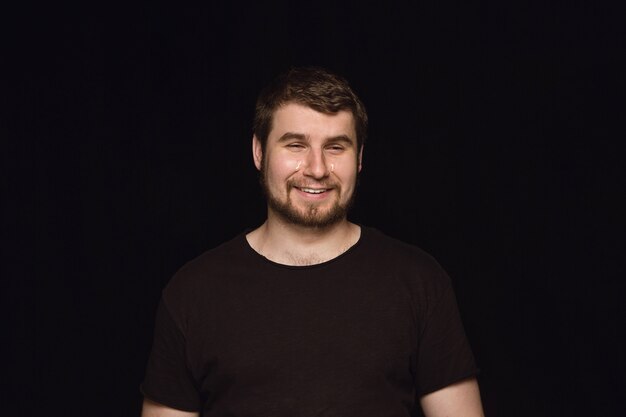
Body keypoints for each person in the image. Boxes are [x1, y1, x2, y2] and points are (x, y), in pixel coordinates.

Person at [139, 66, 485, 417]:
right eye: (296, 145)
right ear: (259, 152)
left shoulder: (419, 281)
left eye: (336, 147)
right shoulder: (193, 291)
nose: (317, 169)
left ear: (360, 157)